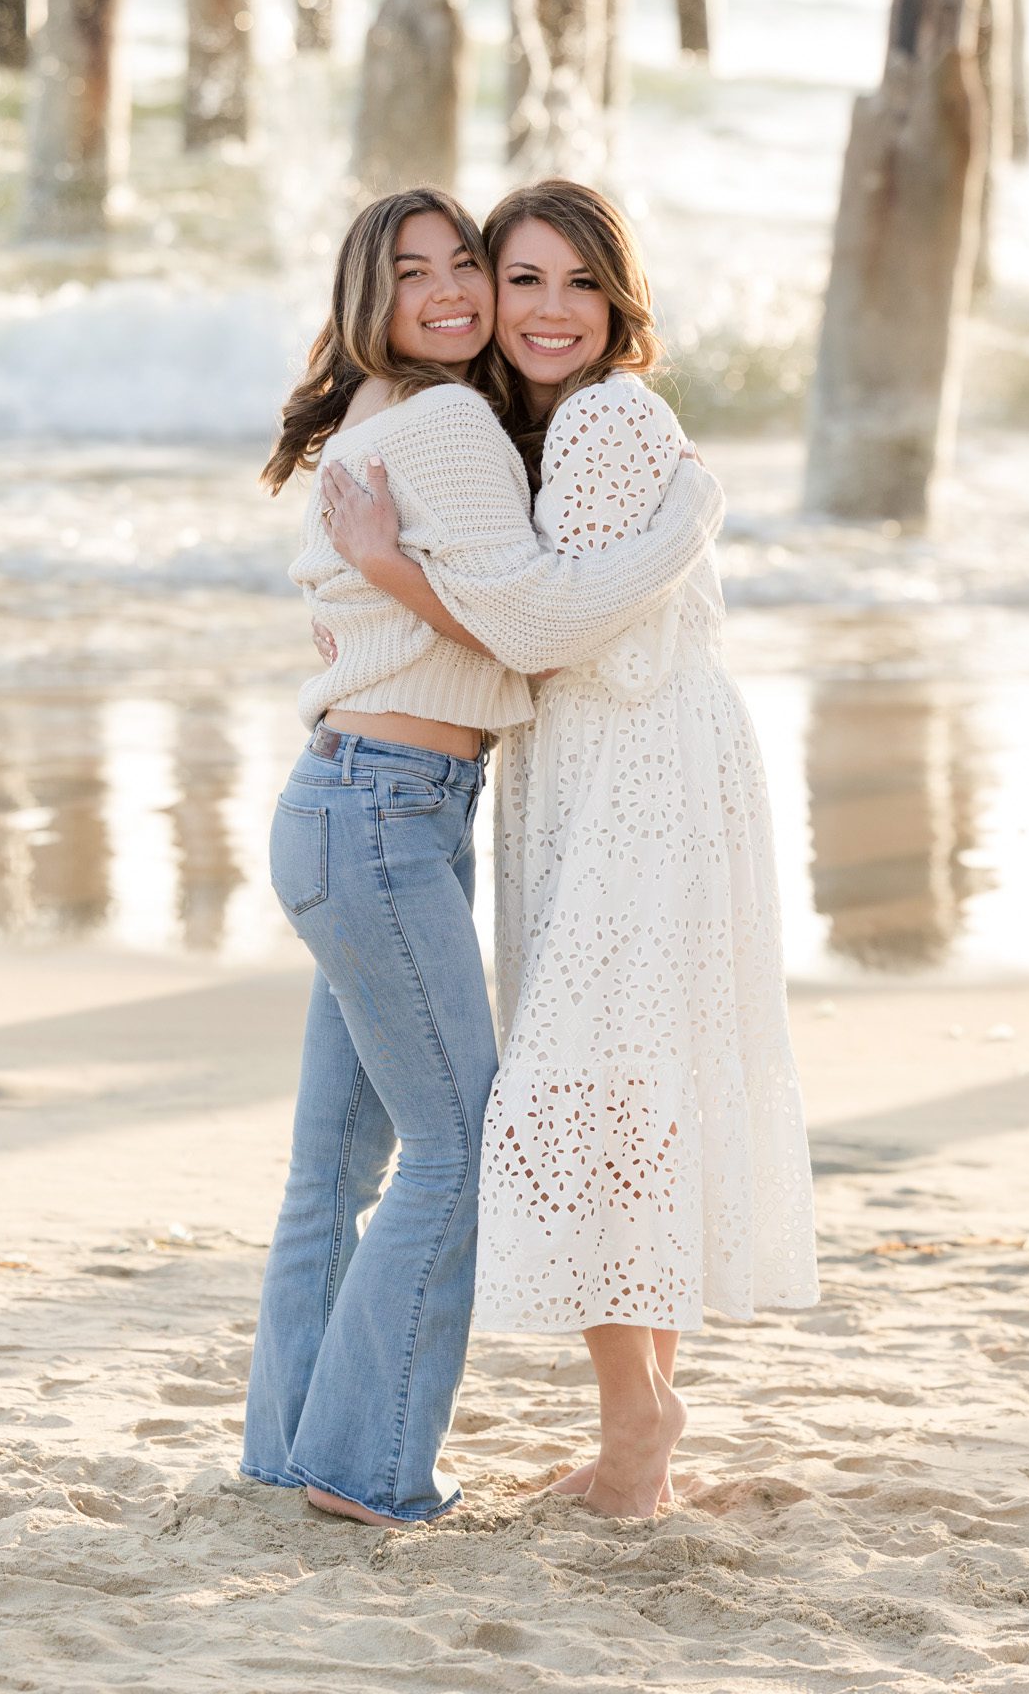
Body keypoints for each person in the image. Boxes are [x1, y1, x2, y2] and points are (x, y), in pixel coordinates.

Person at [317, 180, 819, 1521]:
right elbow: (530, 609)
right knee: (616, 1080)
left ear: (618, 300)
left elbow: (543, 629)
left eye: (577, 284)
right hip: (608, 765)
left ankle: (638, 1427)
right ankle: (634, 1425)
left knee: (580, 1090)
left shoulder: (600, 420)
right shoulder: (533, 427)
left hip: (638, 774)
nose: (546, 310)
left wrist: (392, 571)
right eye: (522, 280)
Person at [241, 186, 725, 1528]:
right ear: (368, 298)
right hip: (389, 811)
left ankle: (290, 1451)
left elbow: (430, 606)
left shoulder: (374, 415)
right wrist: (686, 523)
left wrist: (387, 586)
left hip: (353, 802)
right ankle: (365, 1471)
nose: (456, 293)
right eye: (421, 273)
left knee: (334, 1168)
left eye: (468, 263)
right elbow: (533, 620)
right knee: (457, 1152)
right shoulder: (446, 418)